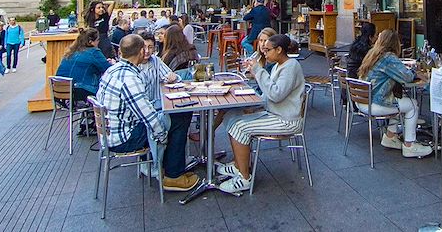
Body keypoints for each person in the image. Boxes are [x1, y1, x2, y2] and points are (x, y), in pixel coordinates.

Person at [96, 34, 199, 191]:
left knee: (170, 118)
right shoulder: (130, 78)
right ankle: (173, 176)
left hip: (108, 134)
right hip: (125, 139)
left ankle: (168, 166)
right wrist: (162, 135)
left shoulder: (112, 71)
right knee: (179, 117)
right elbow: (149, 118)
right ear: (139, 51)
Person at [217, 34, 305, 193]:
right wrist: (255, 105)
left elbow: (276, 94)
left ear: (279, 50)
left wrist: (258, 70)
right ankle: (239, 165)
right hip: (274, 113)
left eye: (267, 50)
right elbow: (270, 93)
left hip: (286, 120)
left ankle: (244, 178)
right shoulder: (279, 65)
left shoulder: (291, 67)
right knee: (231, 116)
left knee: (240, 127)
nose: (264, 53)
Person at [357, 29, 433, 158]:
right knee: (412, 105)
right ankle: (410, 145)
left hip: (362, 100)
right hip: (375, 103)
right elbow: (407, 77)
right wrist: (417, 73)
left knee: (399, 101)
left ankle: (390, 137)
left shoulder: (373, 54)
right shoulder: (388, 58)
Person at [136, 31, 194, 182]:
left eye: (150, 47)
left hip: (156, 109)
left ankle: (171, 163)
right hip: (142, 120)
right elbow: (140, 108)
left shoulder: (155, 61)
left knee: (184, 114)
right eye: (144, 48)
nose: (147, 51)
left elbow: (174, 76)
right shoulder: (133, 69)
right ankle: (172, 171)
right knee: (179, 120)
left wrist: (174, 77)